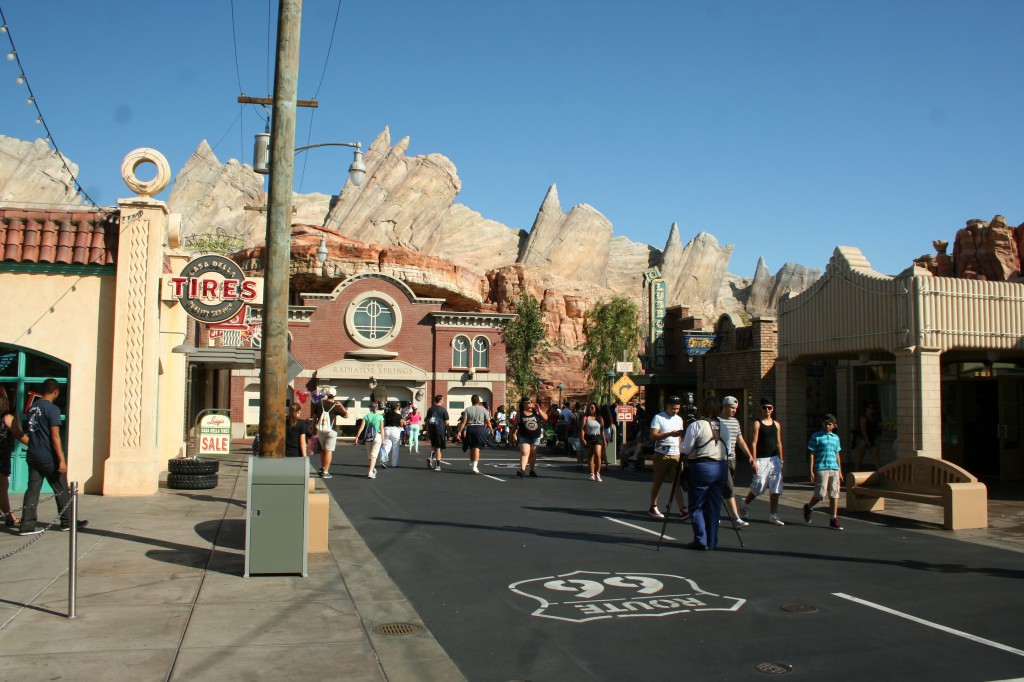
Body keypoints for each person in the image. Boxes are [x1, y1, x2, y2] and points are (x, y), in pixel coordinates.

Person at [18, 379, 86, 535]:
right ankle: (68, 522)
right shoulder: (52, 409)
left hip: (33, 455)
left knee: (32, 490)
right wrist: (61, 459)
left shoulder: (33, 407)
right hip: (48, 457)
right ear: (55, 392)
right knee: (61, 488)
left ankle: (26, 525)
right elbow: (55, 436)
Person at [680, 395, 729, 550]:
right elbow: (728, 448)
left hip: (702, 466)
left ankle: (701, 539)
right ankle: (712, 540)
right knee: (714, 505)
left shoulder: (697, 425)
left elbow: (686, 449)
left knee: (697, 504)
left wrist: (680, 445)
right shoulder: (724, 426)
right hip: (720, 466)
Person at [739, 398, 786, 526]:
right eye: (764, 407)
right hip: (761, 459)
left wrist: (781, 460)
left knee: (775, 487)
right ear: (760, 408)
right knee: (758, 485)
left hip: (774, 459)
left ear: (773, 409)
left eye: (769, 408)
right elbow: (753, 443)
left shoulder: (776, 424)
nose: (767, 410)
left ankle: (773, 515)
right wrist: (753, 460)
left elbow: (778, 443)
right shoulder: (757, 423)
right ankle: (745, 503)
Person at [648, 395, 688, 520]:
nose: (675, 411)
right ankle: (653, 506)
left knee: (676, 483)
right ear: (667, 406)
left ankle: (682, 508)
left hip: (675, 454)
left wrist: (682, 448)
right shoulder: (659, 417)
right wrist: (670, 434)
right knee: (658, 481)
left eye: (677, 409)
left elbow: (680, 437)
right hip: (661, 453)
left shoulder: (679, 419)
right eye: (673, 408)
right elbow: (653, 435)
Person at [804, 414, 845, 530]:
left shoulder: (835, 438)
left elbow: (838, 455)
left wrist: (840, 471)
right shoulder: (816, 436)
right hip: (821, 467)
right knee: (820, 494)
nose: (827, 426)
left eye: (829, 424)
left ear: (833, 426)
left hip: (834, 468)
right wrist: (811, 470)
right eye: (825, 424)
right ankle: (809, 506)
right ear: (822, 424)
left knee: (834, 493)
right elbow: (811, 454)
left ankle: (833, 518)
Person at [719, 396, 752, 529]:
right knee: (729, 487)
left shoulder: (735, 422)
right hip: (721, 459)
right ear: (725, 406)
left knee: (721, 489)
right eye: (732, 407)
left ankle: (713, 514)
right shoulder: (717, 421)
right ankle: (735, 518)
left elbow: (740, 440)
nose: (734, 410)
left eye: (735, 408)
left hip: (732, 459)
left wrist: (749, 455)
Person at [1, 387, 29, 528]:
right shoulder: (7, 417)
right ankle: (10, 517)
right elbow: (20, 435)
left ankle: (9, 516)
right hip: (1, 457)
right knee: (2, 488)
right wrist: (36, 445)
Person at [312, 387, 347, 479]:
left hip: (320, 429)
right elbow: (346, 415)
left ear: (327, 394)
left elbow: (315, 416)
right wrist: (341, 406)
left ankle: (322, 467)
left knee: (322, 450)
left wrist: (313, 428)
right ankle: (326, 471)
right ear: (334, 395)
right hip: (331, 430)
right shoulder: (335, 406)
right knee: (329, 450)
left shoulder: (320, 403)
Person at [455, 394, 492, 474]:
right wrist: (491, 430)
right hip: (479, 428)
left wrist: (459, 432)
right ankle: (474, 466)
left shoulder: (467, 410)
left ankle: (472, 464)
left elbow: (463, 422)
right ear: (478, 401)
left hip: (470, 429)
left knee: (472, 447)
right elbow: (488, 422)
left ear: (471, 401)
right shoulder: (484, 410)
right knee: (477, 448)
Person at [512, 397, 547, 478]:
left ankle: (532, 470)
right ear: (524, 404)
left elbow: (545, 418)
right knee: (525, 452)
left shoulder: (536, 412)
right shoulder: (520, 414)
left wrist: (539, 410)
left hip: (535, 436)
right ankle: (522, 470)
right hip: (524, 436)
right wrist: (512, 434)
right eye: (528, 402)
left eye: (531, 402)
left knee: (533, 454)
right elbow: (515, 425)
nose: (530, 403)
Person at [354, 402, 384, 479]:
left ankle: (372, 468)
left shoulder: (366, 417)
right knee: (374, 455)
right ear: (377, 408)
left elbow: (361, 427)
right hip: (377, 436)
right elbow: (382, 429)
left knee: (370, 455)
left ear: (370, 408)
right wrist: (383, 439)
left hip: (368, 436)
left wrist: (357, 437)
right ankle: (370, 471)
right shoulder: (380, 417)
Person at [581, 403, 607, 482]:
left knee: (598, 455)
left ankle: (598, 473)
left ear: (596, 409)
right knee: (590, 456)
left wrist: (604, 441)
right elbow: (583, 429)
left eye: (592, 408)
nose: (590, 409)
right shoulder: (586, 418)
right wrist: (582, 438)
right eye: (589, 408)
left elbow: (602, 431)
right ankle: (592, 474)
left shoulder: (600, 418)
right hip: (589, 437)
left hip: (597, 437)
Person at [853, 402, 881, 471]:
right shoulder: (863, 418)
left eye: (873, 408)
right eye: (871, 408)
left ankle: (880, 472)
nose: (873, 410)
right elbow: (863, 430)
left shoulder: (873, 417)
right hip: (863, 439)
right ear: (866, 409)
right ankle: (856, 473)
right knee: (859, 458)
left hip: (872, 438)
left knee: (876, 457)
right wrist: (867, 441)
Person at [425, 394, 449, 471]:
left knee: (433, 445)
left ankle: (431, 456)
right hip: (440, 430)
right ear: (440, 400)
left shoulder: (430, 409)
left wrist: (428, 431)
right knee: (439, 448)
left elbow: (427, 421)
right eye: (442, 400)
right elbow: (446, 421)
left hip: (432, 430)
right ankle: (438, 465)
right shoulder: (443, 410)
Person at [382, 402, 405, 467]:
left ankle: (383, 460)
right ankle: (394, 464)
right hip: (395, 430)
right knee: (395, 448)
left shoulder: (386, 414)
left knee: (387, 446)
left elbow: (383, 420)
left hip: (387, 429)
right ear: (396, 408)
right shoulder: (398, 415)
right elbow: (401, 424)